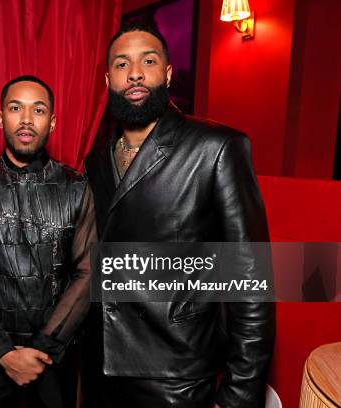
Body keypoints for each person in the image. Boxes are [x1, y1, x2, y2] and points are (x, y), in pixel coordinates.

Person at [82, 23, 275, 407]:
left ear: (167, 73)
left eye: (148, 61)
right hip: (102, 371)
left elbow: (250, 278)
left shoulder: (216, 148)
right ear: (108, 80)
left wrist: (239, 394)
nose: (135, 72)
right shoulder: (96, 161)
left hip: (178, 377)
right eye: (122, 64)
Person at [0, 75, 97, 408]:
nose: (27, 119)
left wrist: (43, 348)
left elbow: (88, 274)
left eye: (38, 110)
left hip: (55, 360)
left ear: (52, 122)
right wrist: (2, 352)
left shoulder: (76, 187)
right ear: (0, 117)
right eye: (16, 108)